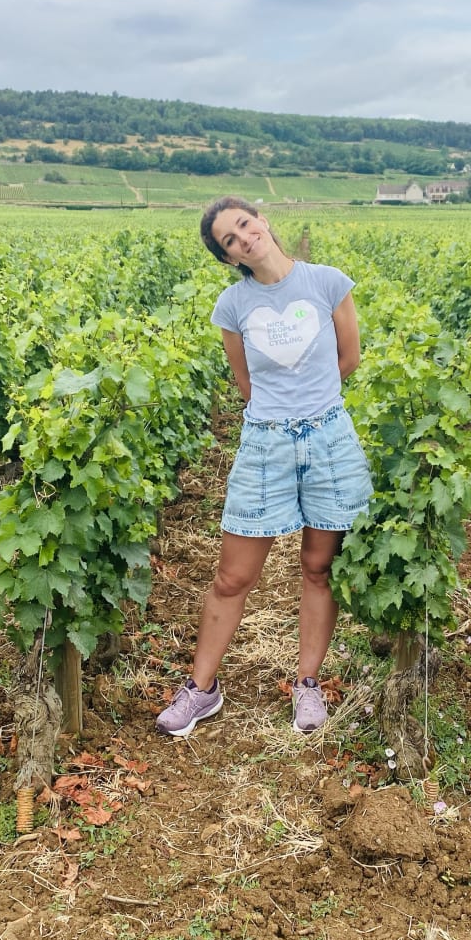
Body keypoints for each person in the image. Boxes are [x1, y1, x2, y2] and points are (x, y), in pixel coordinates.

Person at [156, 196, 373, 738]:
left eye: (244, 225)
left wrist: (311, 405)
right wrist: (279, 417)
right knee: (233, 576)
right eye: (230, 239)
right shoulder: (233, 306)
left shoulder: (327, 283)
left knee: (318, 568)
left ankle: (307, 684)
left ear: (263, 222)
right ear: (228, 257)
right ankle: (201, 690)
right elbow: (245, 384)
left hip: (328, 439)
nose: (243, 238)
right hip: (265, 444)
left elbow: (349, 360)